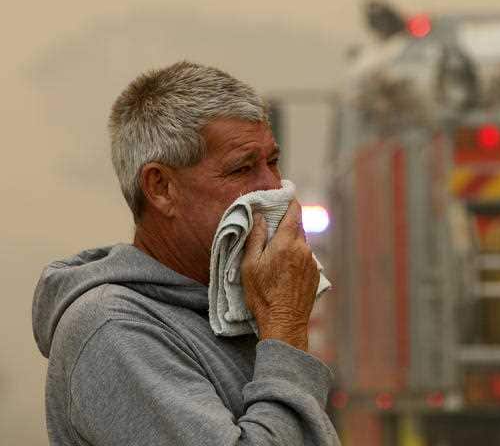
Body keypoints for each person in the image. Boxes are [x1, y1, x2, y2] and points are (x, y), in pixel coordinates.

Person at [31, 61, 340, 445]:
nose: (272, 187)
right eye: (242, 169)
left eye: (272, 162)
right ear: (161, 188)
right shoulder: (114, 330)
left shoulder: (230, 313)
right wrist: (285, 328)